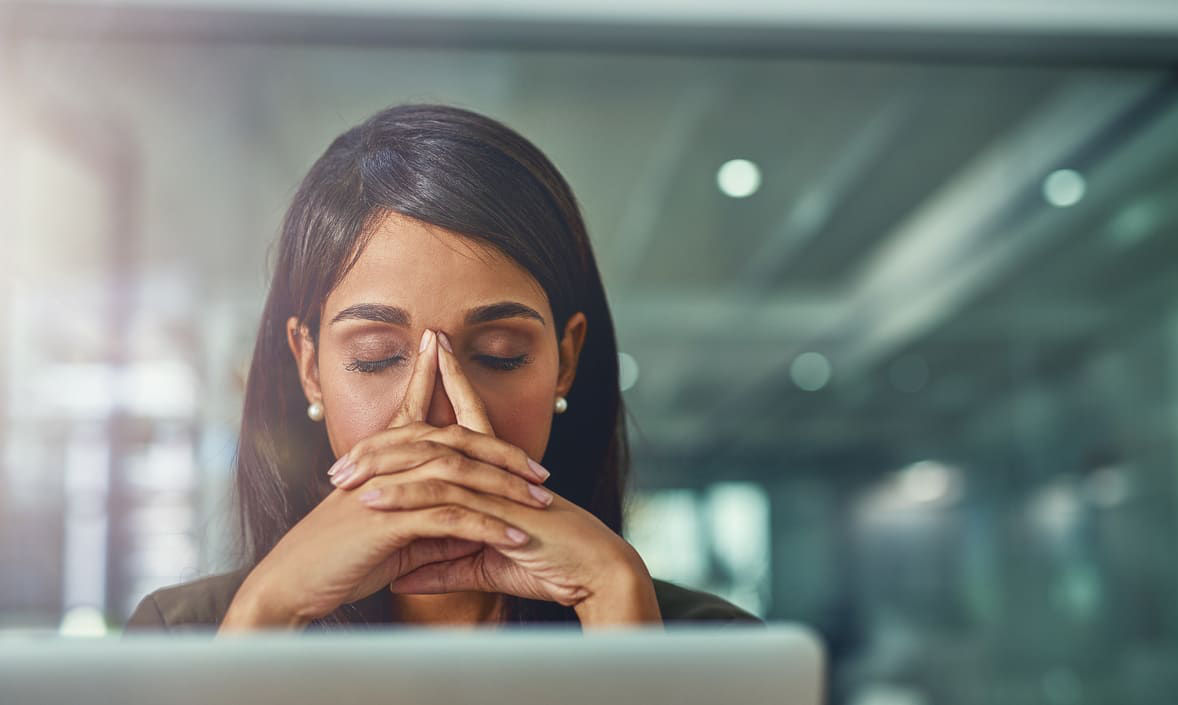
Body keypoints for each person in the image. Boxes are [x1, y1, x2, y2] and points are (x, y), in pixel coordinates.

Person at [125, 103, 758, 632]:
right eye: (376, 358)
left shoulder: (710, 644)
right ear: (311, 368)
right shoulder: (188, 633)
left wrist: (618, 605)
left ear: (564, 363)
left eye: (498, 355)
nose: (439, 413)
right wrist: (267, 614)